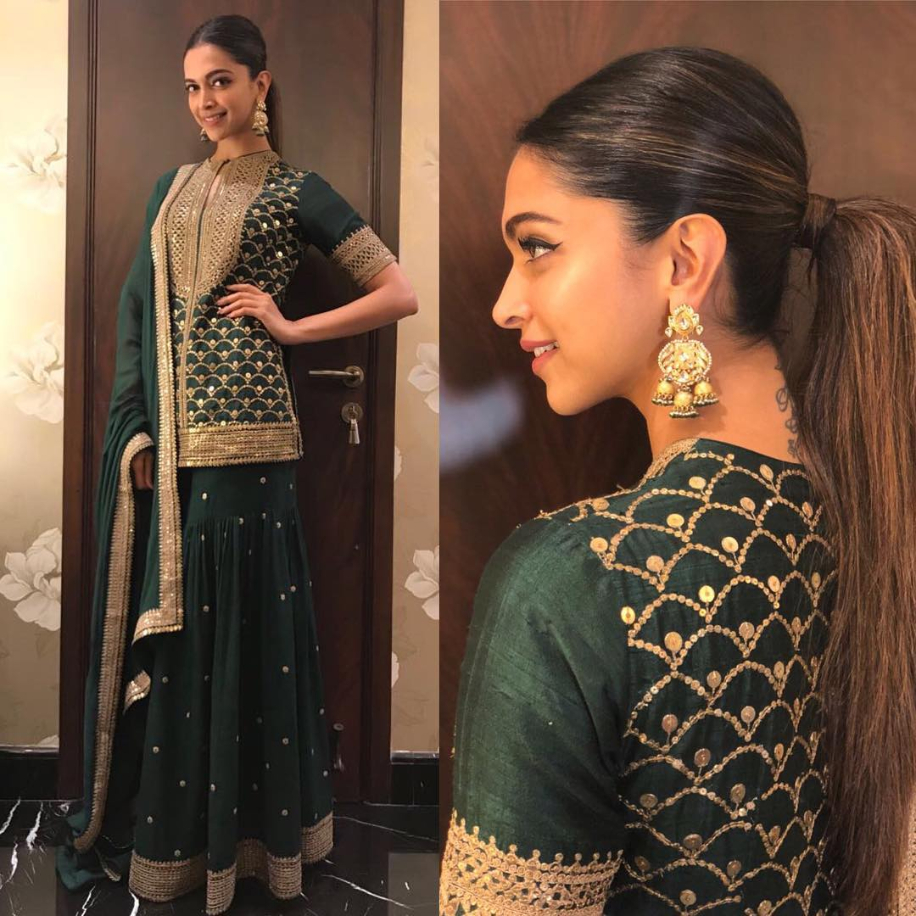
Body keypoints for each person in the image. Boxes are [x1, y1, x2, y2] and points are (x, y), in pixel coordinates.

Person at [440, 46, 916, 915]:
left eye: (538, 247)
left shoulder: (570, 583)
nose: (506, 302)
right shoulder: (878, 514)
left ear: (685, 259)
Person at [55, 14, 417, 915]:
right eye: (192, 86)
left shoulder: (298, 191)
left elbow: (398, 291)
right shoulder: (170, 190)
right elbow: (135, 315)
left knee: (248, 634)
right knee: (184, 635)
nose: (205, 101)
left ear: (261, 83)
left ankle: (257, 844)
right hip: (175, 445)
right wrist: (138, 429)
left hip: (256, 444)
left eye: (220, 80)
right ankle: (182, 839)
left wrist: (292, 327)